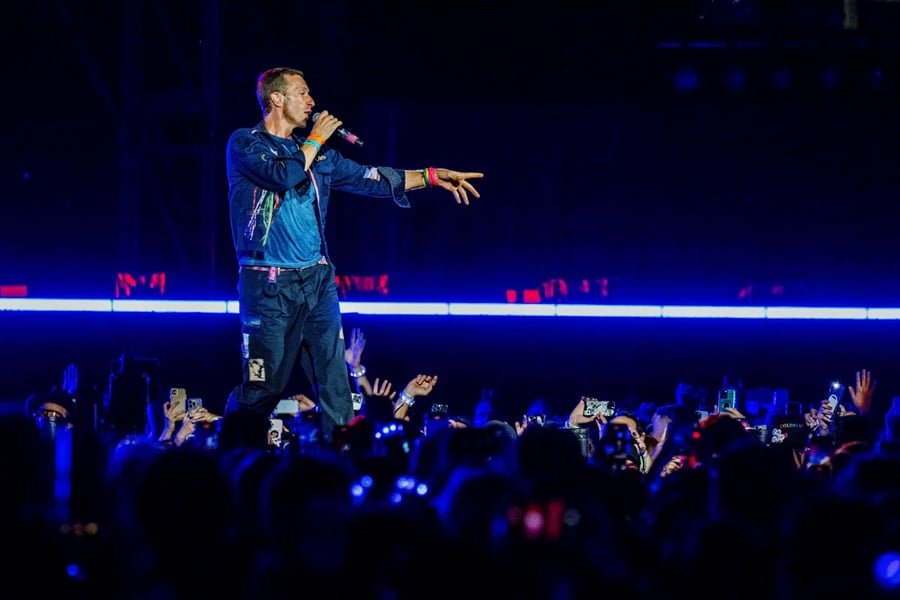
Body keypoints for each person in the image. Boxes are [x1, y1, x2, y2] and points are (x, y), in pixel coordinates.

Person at [224, 66, 483, 444]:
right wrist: (314, 139)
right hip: (268, 283)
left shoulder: (317, 154)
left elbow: (370, 177)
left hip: (317, 281)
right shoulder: (246, 144)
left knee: (336, 388)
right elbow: (283, 177)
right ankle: (229, 455)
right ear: (277, 99)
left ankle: (344, 467)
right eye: (302, 92)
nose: (312, 101)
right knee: (264, 388)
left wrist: (429, 176)